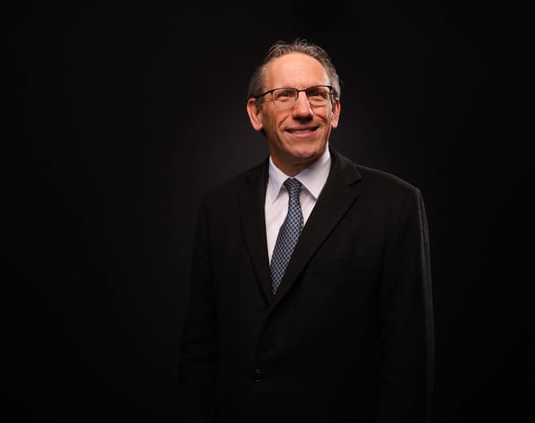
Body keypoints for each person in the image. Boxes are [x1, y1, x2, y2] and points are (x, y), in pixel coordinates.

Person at [177, 38, 434, 423]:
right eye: (284, 95)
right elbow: (200, 349)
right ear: (256, 113)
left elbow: (408, 361)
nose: (303, 111)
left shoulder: (395, 205)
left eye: (317, 94)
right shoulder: (220, 206)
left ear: (335, 110)